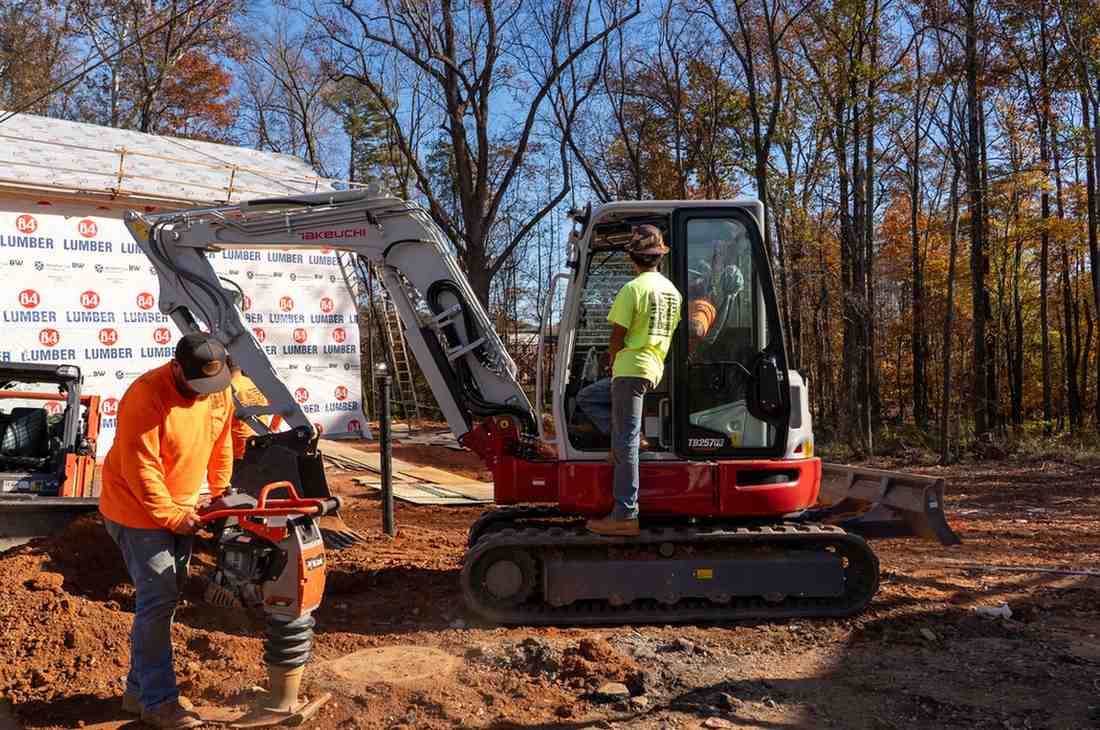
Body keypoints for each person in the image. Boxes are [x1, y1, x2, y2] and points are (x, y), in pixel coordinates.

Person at [99, 333, 235, 729]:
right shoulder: (145, 395)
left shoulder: (217, 390)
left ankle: (137, 693)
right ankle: (159, 702)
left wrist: (220, 491)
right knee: (158, 598)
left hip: (184, 505)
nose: (201, 392)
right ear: (176, 367)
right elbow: (141, 470)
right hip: (135, 510)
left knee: (168, 596)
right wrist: (172, 517)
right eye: (195, 384)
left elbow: (221, 441)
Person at [581, 224, 681, 537]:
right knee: (590, 397)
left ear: (632, 259)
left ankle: (625, 512)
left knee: (625, 440)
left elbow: (617, 336)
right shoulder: (672, 293)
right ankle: (627, 443)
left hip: (630, 367)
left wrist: (613, 361)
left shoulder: (633, 289)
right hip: (652, 367)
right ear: (660, 256)